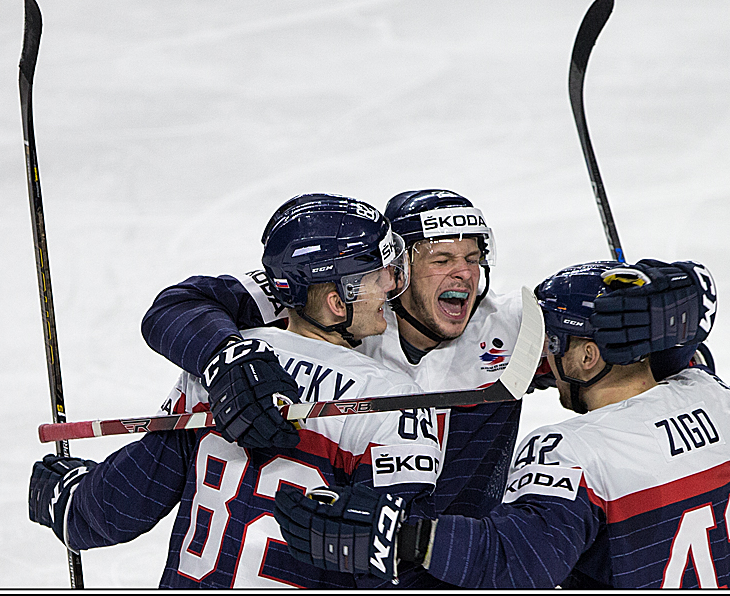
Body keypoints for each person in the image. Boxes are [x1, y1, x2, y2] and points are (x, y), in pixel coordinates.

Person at [140, 189, 718, 587]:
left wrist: (663, 344)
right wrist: (226, 356)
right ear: (397, 267)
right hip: (340, 562)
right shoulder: (345, 301)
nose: (463, 274)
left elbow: (621, 346)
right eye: (440, 258)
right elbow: (180, 305)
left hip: (461, 564)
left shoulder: (515, 328)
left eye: (473, 257)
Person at [273, 260, 730, 589]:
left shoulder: (571, 452)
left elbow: (519, 562)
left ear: (586, 356)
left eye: (553, 342)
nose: (543, 357)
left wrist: (407, 537)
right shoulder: (719, 404)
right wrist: (678, 362)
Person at [28, 194, 443, 588]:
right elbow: (403, 567)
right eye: (379, 275)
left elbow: (116, 509)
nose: (391, 285)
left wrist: (69, 500)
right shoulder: (391, 401)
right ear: (338, 302)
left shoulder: (220, 370)